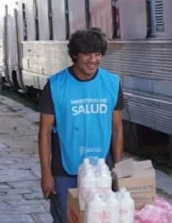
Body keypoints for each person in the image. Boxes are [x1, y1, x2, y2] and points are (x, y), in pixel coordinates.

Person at [37, 27, 124, 222]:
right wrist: (46, 173)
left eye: (98, 54)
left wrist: (118, 169)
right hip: (65, 170)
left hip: (102, 170)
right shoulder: (56, 85)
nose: (93, 60)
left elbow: (117, 129)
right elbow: (44, 132)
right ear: (75, 55)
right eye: (87, 54)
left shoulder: (112, 83)